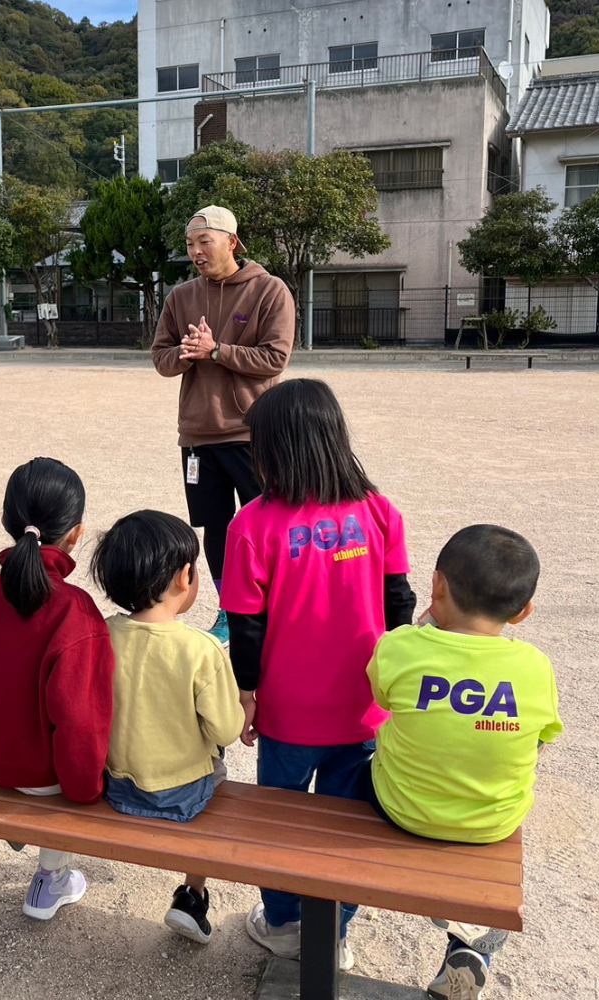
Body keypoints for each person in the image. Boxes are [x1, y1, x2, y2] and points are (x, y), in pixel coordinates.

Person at [220, 378, 416, 969]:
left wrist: (246, 696)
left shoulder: (251, 524)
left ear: (274, 449)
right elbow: (399, 605)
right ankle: (335, 932)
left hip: (287, 712)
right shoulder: (380, 512)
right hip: (363, 708)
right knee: (346, 828)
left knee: (279, 821)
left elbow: (245, 625)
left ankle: (283, 922)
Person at [362, 524, 562, 1000]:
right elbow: (540, 741)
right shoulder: (535, 668)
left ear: (436, 586)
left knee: (363, 756)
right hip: (491, 820)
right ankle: (470, 948)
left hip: (402, 810)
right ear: (523, 612)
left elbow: (380, 696)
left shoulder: (400, 647)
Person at [0, 458, 114, 921]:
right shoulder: (75, 609)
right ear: (76, 533)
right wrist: (84, 795)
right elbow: (80, 721)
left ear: (7, 522)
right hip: (42, 778)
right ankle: (53, 876)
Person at [91, 509, 244, 944]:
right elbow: (226, 730)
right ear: (185, 577)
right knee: (219, 764)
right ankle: (192, 895)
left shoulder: (102, 634)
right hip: (182, 795)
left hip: (116, 784)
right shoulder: (200, 648)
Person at [151, 205, 294, 645]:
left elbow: (275, 358)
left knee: (267, 523)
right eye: (190, 244)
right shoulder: (180, 297)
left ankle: (278, 607)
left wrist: (217, 351)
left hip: (253, 431)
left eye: (204, 242)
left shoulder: (270, 291)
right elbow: (161, 358)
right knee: (217, 527)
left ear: (231, 242)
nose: (195, 252)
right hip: (197, 433)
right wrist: (185, 353)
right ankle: (231, 610)